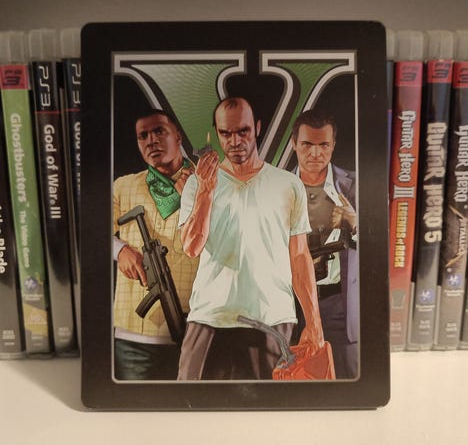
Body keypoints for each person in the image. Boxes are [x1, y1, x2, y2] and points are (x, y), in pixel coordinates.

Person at [177, 97, 324, 380]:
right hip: (209, 317)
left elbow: (299, 256)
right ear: (216, 133)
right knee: (190, 403)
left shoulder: (288, 184)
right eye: (226, 133)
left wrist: (314, 322)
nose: (235, 141)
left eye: (242, 131)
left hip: (271, 319)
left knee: (268, 405)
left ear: (257, 127)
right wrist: (206, 190)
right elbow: (192, 247)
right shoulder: (197, 183)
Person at [113, 109, 198, 380]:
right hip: (133, 338)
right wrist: (120, 250)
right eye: (143, 136)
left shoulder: (209, 185)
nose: (151, 141)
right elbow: (91, 231)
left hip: (195, 333)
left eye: (159, 131)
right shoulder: (123, 186)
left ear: (178, 136)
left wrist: (198, 199)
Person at [291, 109, 358, 379]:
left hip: (338, 303)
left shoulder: (356, 186)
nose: (315, 153)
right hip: (290, 304)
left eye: (323, 145)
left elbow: (386, 247)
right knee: (291, 386)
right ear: (294, 144)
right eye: (307, 144)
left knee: (345, 380)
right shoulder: (276, 187)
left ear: (333, 145)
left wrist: (355, 223)